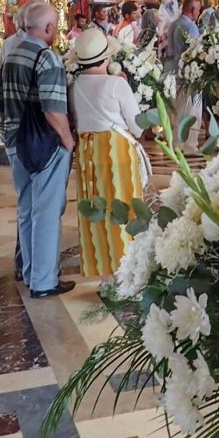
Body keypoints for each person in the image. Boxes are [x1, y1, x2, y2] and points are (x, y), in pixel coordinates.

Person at [0, 1, 76, 298]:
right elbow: (53, 109)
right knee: (47, 211)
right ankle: (44, 281)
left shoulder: (11, 53)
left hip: (15, 141)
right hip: (44, 144)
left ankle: (30, 273)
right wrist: (68, 140)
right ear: (49, 27)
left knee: (26, 209)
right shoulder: (47, 57)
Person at [69, 28, 149, 277]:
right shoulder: (117, 85)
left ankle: (99, 265)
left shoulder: (74, 86)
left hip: (88, 152)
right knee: (123, 206)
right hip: (117, 151)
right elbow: (138, 126)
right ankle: (127, 267)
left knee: (95, 205)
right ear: (106, 58)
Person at [167, 0, 203, 153]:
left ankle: (176, 144)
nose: (198, 13)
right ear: (193, 10)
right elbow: (195, 52)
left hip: (173, 73)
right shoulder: (191, 26)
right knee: (191, 111)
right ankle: (190, 145)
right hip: (189, 75)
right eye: (198, 10)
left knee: (176, 111)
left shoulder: (173, 24)